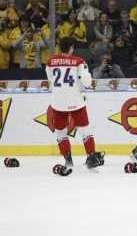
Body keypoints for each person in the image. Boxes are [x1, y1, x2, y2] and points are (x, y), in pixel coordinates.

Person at [45, 37, 104, 171]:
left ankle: (68, 160)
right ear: (71, 48)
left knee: (61, 133)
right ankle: (91, 158)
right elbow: (87, 83)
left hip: (58, 102)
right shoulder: (79, 62)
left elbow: (50, 80)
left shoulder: (50, 62)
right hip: (76, 101)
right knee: (85, 131)